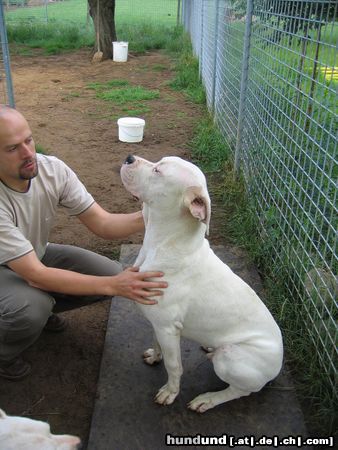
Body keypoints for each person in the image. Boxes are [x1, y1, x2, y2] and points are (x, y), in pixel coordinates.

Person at [0, 105, 167, 381]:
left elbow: (103, 223)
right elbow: (36, 274)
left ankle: (37, 313)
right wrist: (115, 286)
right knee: (31, 307)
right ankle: (5, 351)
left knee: (111, 274)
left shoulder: (52, 170)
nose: (29, 154)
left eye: (28, 140)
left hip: (31, 256)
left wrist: (153, 213)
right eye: (12, 148)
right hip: (12, 267)